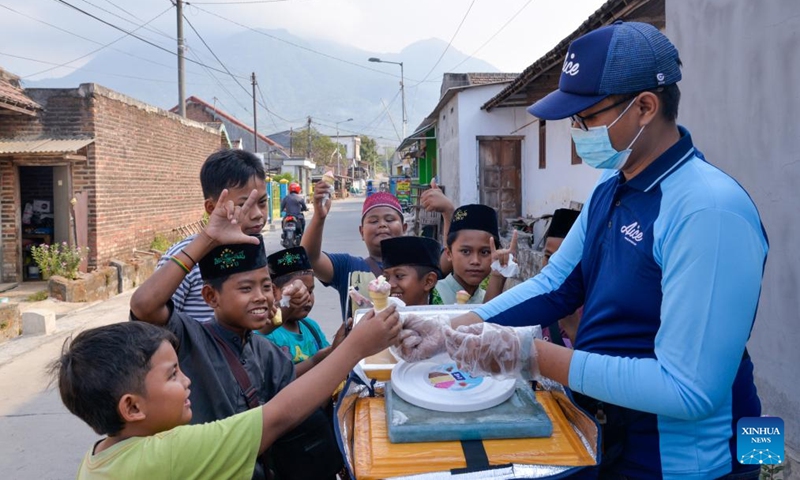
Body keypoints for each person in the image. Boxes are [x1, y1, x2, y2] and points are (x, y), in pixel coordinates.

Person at [397, 21, 768, 480]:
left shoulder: (709, 211)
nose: (576, 130)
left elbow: (688, 389)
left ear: (645, 107)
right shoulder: (611, 189)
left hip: (685, 459)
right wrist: (456, 327)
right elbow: (557, 283)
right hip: (610, 430)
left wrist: (530, 355)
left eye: (586, 117)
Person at [130, 188, 340, 480]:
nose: (261, 297)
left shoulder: (264, 350)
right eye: (245, 288)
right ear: (210, 297)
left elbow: (294, 394)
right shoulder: (190, 339)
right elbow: (144, 305)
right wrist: (207, 239)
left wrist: (333, 355)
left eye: (266, 287)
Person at [53, 307, 400, 479]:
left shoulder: (99, 457)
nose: (188, 381)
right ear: (131, 407)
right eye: (173, 375)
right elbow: (279, 416)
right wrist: (355, 347)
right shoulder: (166, 454)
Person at [157, 149, 268, 322]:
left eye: (262, 202)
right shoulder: (183, 258)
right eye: (244, 205)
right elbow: (151, 323)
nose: (258, 214)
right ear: (211, 208)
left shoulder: (255, 250)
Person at [302, 187, 407, 318]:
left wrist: (442, 210)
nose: (382, 224)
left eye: (390, 219)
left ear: (404, 228)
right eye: (374, 221)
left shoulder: (419, 265)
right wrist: (319, 217)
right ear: (362, 232)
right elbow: (309, 258)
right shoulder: (348, 267)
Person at [256, 246, 347, 377]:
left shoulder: (311, 327)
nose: (307, 298)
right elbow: (277, 380)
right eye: (298, 291)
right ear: (273, 290)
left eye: (310, 291)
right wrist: (316, 360)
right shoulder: (265, 333)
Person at [433, 204, 517, 305]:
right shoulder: (431, 294)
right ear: (449, 254)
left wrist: (498, 275)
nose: (475, 261)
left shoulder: (489, 297)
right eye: (465, 251)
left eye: (485, 252)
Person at [540, 208, 581, 348]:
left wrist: (574, 329)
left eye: (565, 260)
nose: (554, 267)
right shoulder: (533, 300)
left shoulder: (597, 310)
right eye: (548, 257)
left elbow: (598, 368)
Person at [380, 236, 442, 306]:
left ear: (429, 281)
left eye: (399, 276)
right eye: (386, 278)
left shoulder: (447, 315)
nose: (390, 284)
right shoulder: (377, 315)